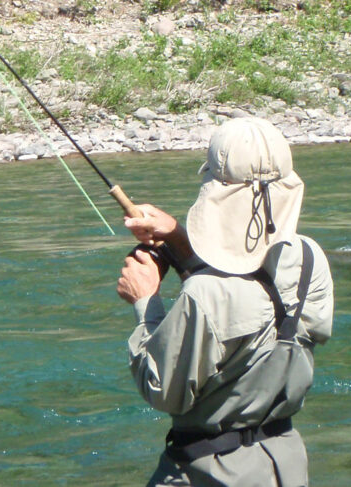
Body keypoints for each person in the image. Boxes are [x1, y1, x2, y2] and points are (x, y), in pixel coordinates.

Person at [115, 117, 334, 486]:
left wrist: (146, 302)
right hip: (284, 463)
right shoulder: (311, 259)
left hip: (207, 471)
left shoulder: (204, 295)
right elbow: (252, 290)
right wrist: (178, 240)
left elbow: (163, 391)